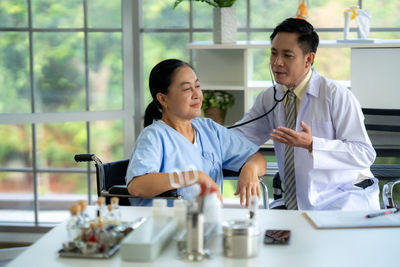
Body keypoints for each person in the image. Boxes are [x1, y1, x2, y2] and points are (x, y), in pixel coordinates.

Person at [232, 18, 379, 210]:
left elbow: (365, 154)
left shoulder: (336, 95)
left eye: (287, 55)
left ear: (308, 59)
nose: (277, 63)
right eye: (274, 53)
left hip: (342, 199)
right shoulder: (270, 97)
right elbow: (239, 138)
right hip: (295, 202)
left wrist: (312, 144)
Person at [125, 59, 266, 207]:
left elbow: (258, 159)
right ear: (163, 99)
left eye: (197, 86)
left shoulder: (209, 129)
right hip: (167, 225)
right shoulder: (153, 136)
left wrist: (250, 168)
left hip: (208, 223)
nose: (197, 94)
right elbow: (137, 186)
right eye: (187, 89)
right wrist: (194, 176)